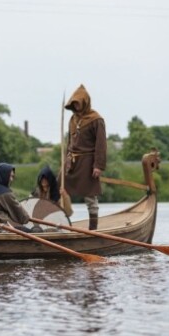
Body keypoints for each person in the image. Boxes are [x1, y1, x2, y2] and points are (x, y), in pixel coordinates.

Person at [63, 84, 107, 230]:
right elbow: (69, 142)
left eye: (78, 102)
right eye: (73, 103)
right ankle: (57, 223)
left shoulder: (96, 119)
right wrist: (66, 159)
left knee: (90, 196)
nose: (75, 106)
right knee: (57, 186)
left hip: (88, 162)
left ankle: (93, 229)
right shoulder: (72, 119)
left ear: (84, 101)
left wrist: (98, 166)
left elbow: (101, 144)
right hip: (72, 162)